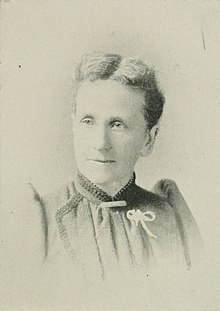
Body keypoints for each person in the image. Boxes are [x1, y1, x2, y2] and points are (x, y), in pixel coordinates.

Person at [5, 52, 203, 309]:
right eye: (88, 121)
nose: (100, 143)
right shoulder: (41, 219)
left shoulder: (170, 216)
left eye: (118, 125)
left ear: (148, 139)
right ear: (73, 126)